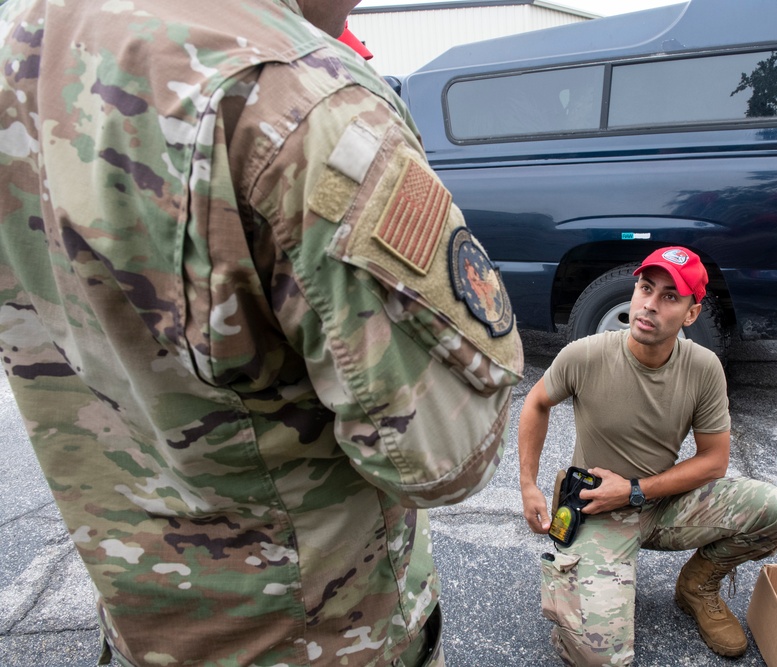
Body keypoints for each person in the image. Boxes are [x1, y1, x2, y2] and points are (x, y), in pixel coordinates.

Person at [0, 1, 522, 666]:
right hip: (314, 636)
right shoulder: (292, 94)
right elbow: (447, 456)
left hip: (140, 625)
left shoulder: (25, 41)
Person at [518, 246, 777, 665]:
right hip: (596, 508)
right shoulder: (586, 354)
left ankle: (697, 587)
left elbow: (713, 460)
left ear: (691, 313)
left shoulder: (703, 368)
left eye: (670, 296)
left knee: (776, 510)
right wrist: (528, 485)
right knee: (599, 657)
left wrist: (634, 490)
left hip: (659, 501)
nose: (649, 304)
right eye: (646, 288)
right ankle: (586, 596)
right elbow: (535, 403)